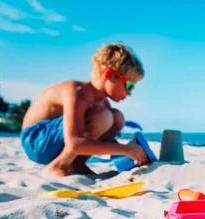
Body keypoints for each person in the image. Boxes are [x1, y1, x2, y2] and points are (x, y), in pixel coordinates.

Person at [20, 43, 148, 178]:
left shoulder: (103, 103)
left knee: (117, 118)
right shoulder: (77, 93)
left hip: (56, 140)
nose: (129, 93)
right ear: (109, 75)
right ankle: (57, 166)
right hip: (36, 140)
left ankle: (77, 164)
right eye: (129, 86)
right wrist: (125, 150)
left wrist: (131, 149)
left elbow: (101, 140)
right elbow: (75, 143)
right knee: (104, 117)